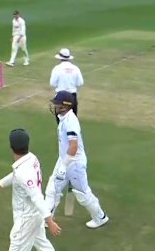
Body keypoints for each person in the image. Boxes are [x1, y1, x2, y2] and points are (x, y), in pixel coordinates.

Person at [45, 91, 109, 229]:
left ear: (65, 106)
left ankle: (100, 217)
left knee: (83, 194)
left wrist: (64, 166)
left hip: (74, 163)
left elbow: (73, 147)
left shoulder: (71, 121)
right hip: (65, 159)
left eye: (57, 104)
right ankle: (47, 219)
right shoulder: (63, 118)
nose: (54, 106)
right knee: (52, 189)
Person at [50, 48, 84, 125]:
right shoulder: (75, 68)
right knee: (72, 122)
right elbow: (80, 83)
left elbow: (52, 83)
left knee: (61, 124)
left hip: (60, 97)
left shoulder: (57, 68)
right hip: (72, 96)